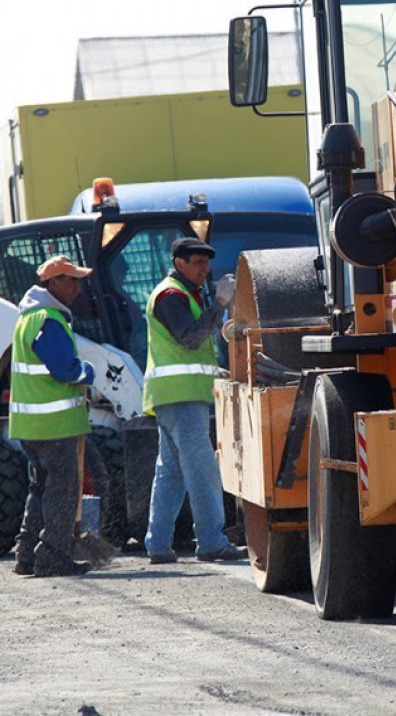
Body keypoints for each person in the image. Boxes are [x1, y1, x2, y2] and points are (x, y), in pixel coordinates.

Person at [142, 237, 246, 565]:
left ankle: (158, 544)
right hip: (181, 397)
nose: (206, 269)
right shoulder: (171, 295)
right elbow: (189, 338)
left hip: (173, 396)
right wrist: (219, 304)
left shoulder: (182, 293)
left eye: (207, 262)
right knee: (201, 469)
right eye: (198, 263)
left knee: (170, 472)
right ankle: (212, 542)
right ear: (179, 263)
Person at [10, 255, 97, 577]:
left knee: (40, 489)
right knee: (63, 491)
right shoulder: (49, 319)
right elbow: (64, 368)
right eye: (71, 280)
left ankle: (27, 555)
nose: (77, 287)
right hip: (54, 426)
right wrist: (87, 373)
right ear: (54, 283)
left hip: (31, 426)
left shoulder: (29, 318)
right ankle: (52, 556)